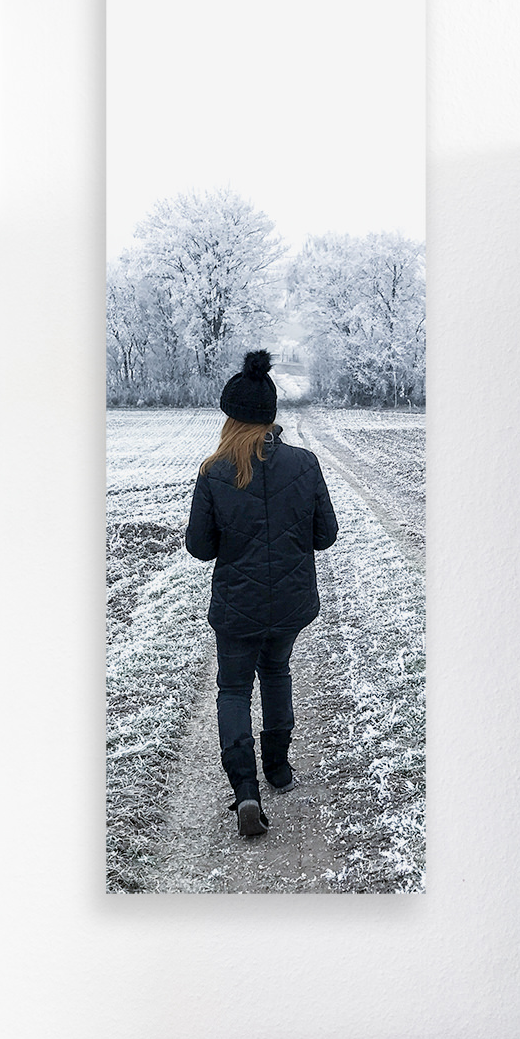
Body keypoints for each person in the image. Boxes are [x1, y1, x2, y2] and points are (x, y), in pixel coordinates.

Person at [186, 350, 338, 837]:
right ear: (271, 417)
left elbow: (200, 547)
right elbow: (325, 535)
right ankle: (278, 769)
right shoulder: (305, 463)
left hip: (237, 607)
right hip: (289, 604)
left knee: (233, 689)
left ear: (232, 419)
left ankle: (246, 790)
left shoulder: (213, 473)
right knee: (276, 673)